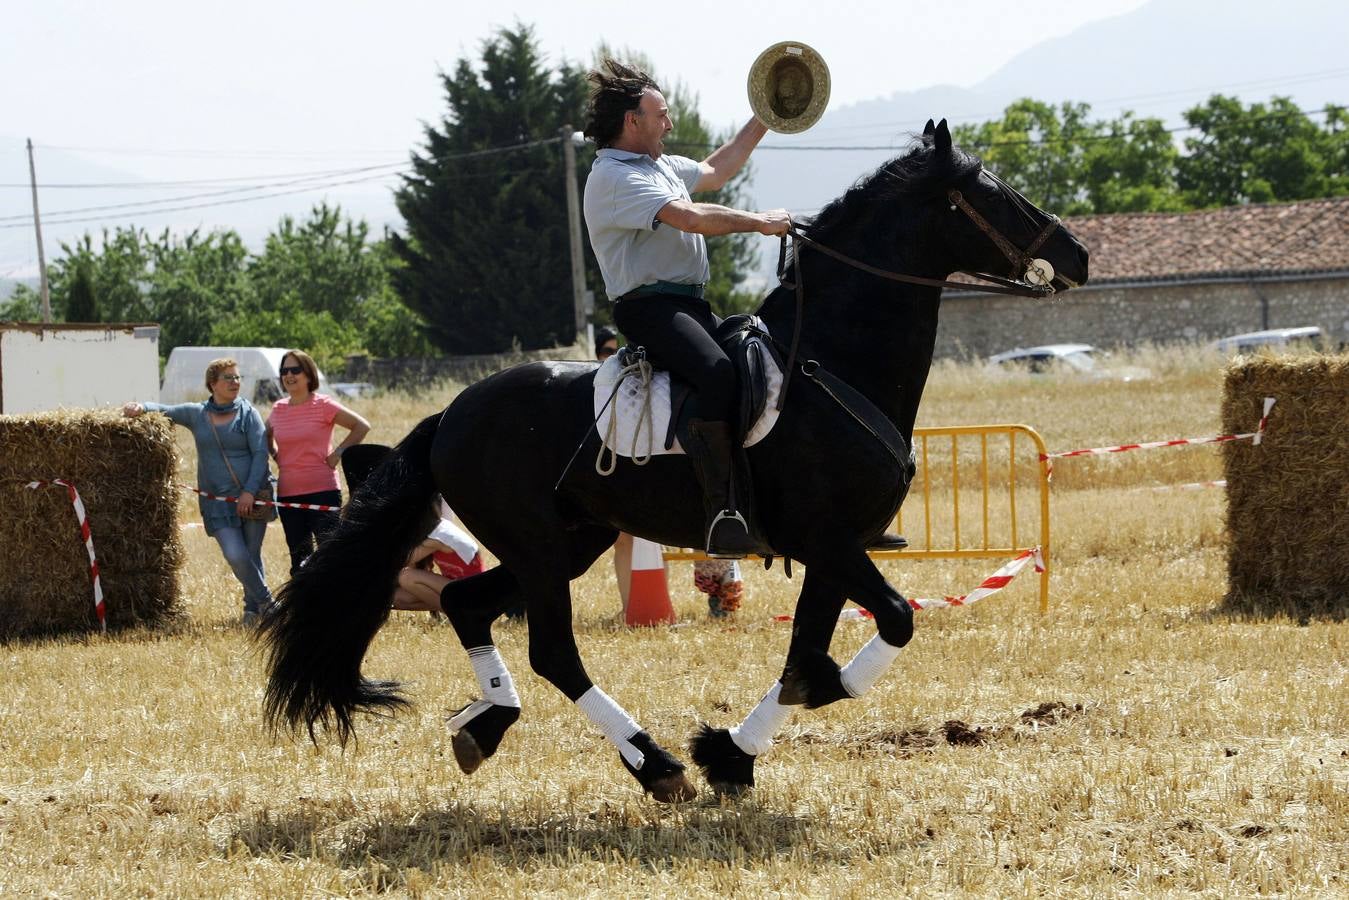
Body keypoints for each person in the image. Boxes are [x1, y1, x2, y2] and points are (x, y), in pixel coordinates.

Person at [582, 58, 790, 559]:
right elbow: (690, 218)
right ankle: (722, 512)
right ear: (632, 121)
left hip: (687, 306)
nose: (670, 123)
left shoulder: (658, 166)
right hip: (648, 309)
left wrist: (765, 116)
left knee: (762, 361)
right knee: (718, 373)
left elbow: (718, 170)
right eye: (661, 115)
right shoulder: (614, 177)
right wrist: (759, 222)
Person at [122, 358, 275, 626]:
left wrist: (250, 492)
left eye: (237, 377)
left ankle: (252, 611)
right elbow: (166, 410)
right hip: (217, 502)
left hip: (253, 497)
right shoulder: (197, 413)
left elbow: (261, 454)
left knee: (251, 555)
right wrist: (141, 407)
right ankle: (270, 604)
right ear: (212, 384)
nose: (235, 382)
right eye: (228, 377)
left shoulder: (249, 414)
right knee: (236, 555)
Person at [265, 349, 370, 574]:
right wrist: (276, 455)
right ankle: (304, 598)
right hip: (288, 494)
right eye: (284, 371)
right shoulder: (278, 408)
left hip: (323, 491)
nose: (289, 375)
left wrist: (338, 454)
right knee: (299, 561)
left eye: (295, 370)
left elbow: (361, 426)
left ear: (308, 374)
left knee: (330, 558)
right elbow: (265, 436)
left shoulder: (323, 404)